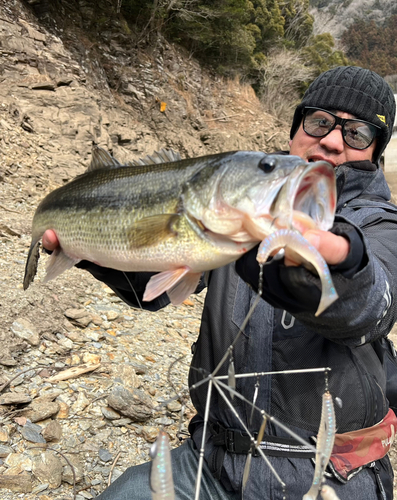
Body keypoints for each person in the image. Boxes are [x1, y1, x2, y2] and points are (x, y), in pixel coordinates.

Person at [42, 66, 397, 499]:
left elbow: (373, 305)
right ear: (296, 129)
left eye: (357, 133)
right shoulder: (235, 208)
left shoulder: (382, 225)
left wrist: (337, 265)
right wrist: (97, 250)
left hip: (333, 475)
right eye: (319, 121)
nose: (332, 140)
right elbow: (153, 290)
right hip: (213, 462)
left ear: (375, 152)